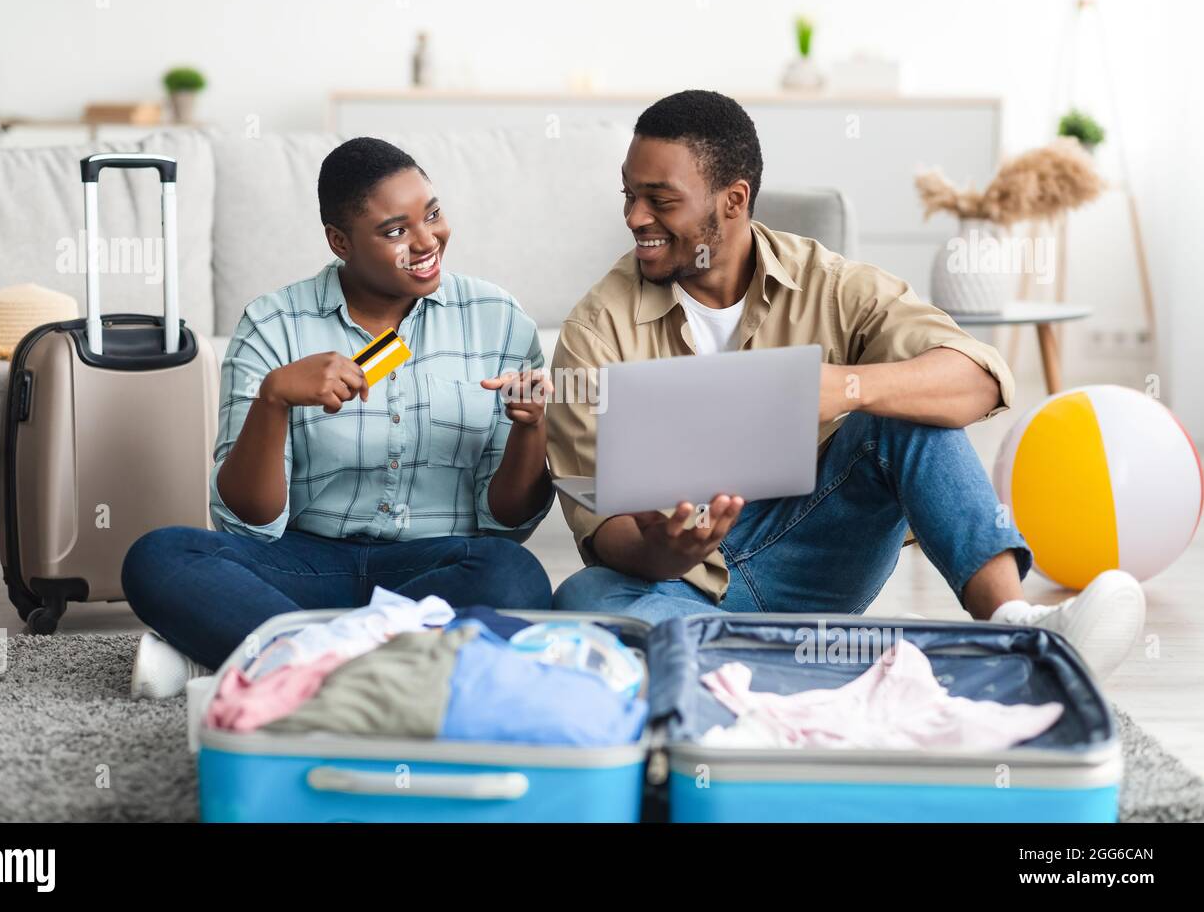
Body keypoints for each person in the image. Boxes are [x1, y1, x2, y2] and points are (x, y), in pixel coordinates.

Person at [545, 90, 1144, 681]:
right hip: (676, 585)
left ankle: (1017, 627)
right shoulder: (596, 330)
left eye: (660, 200)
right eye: (630, 196)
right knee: (583, 601)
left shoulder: (830, 285)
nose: (634, 218)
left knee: (900, 410)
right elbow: (604, 529)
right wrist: (666, 551)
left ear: (733, 200)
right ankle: (845, 660)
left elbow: (979, 379)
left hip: (811, 551)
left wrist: (845, 388)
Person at [123, 138, 553, 695]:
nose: (426, 242)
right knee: (160, 556)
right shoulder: (273, 324)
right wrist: (273, 402)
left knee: (514, 577)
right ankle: (379, 667)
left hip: (436, 569)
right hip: (302, 566)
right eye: (396, 231)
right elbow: (246, 522)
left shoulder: (498, 318)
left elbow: (508, 523)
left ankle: (270, 658)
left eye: (434, 214)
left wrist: (530, 427)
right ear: (340, 241)